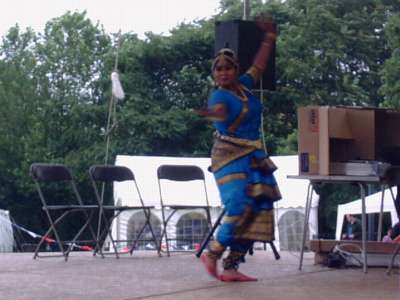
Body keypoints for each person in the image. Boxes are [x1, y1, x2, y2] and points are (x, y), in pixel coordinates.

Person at [196, 20, 280, 282]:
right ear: (214, 74)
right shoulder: (218, 97)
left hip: (253, 155)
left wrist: (269, 37)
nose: (223, 73)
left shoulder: (244, 85)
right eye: (218, 69)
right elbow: (220, 113)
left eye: (227, 68)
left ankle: (232, 266)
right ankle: (213, 253)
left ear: (235, 70)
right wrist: (213, 114)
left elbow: (260, 65)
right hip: (228, 155)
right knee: (238, 204)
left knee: (258, 206)